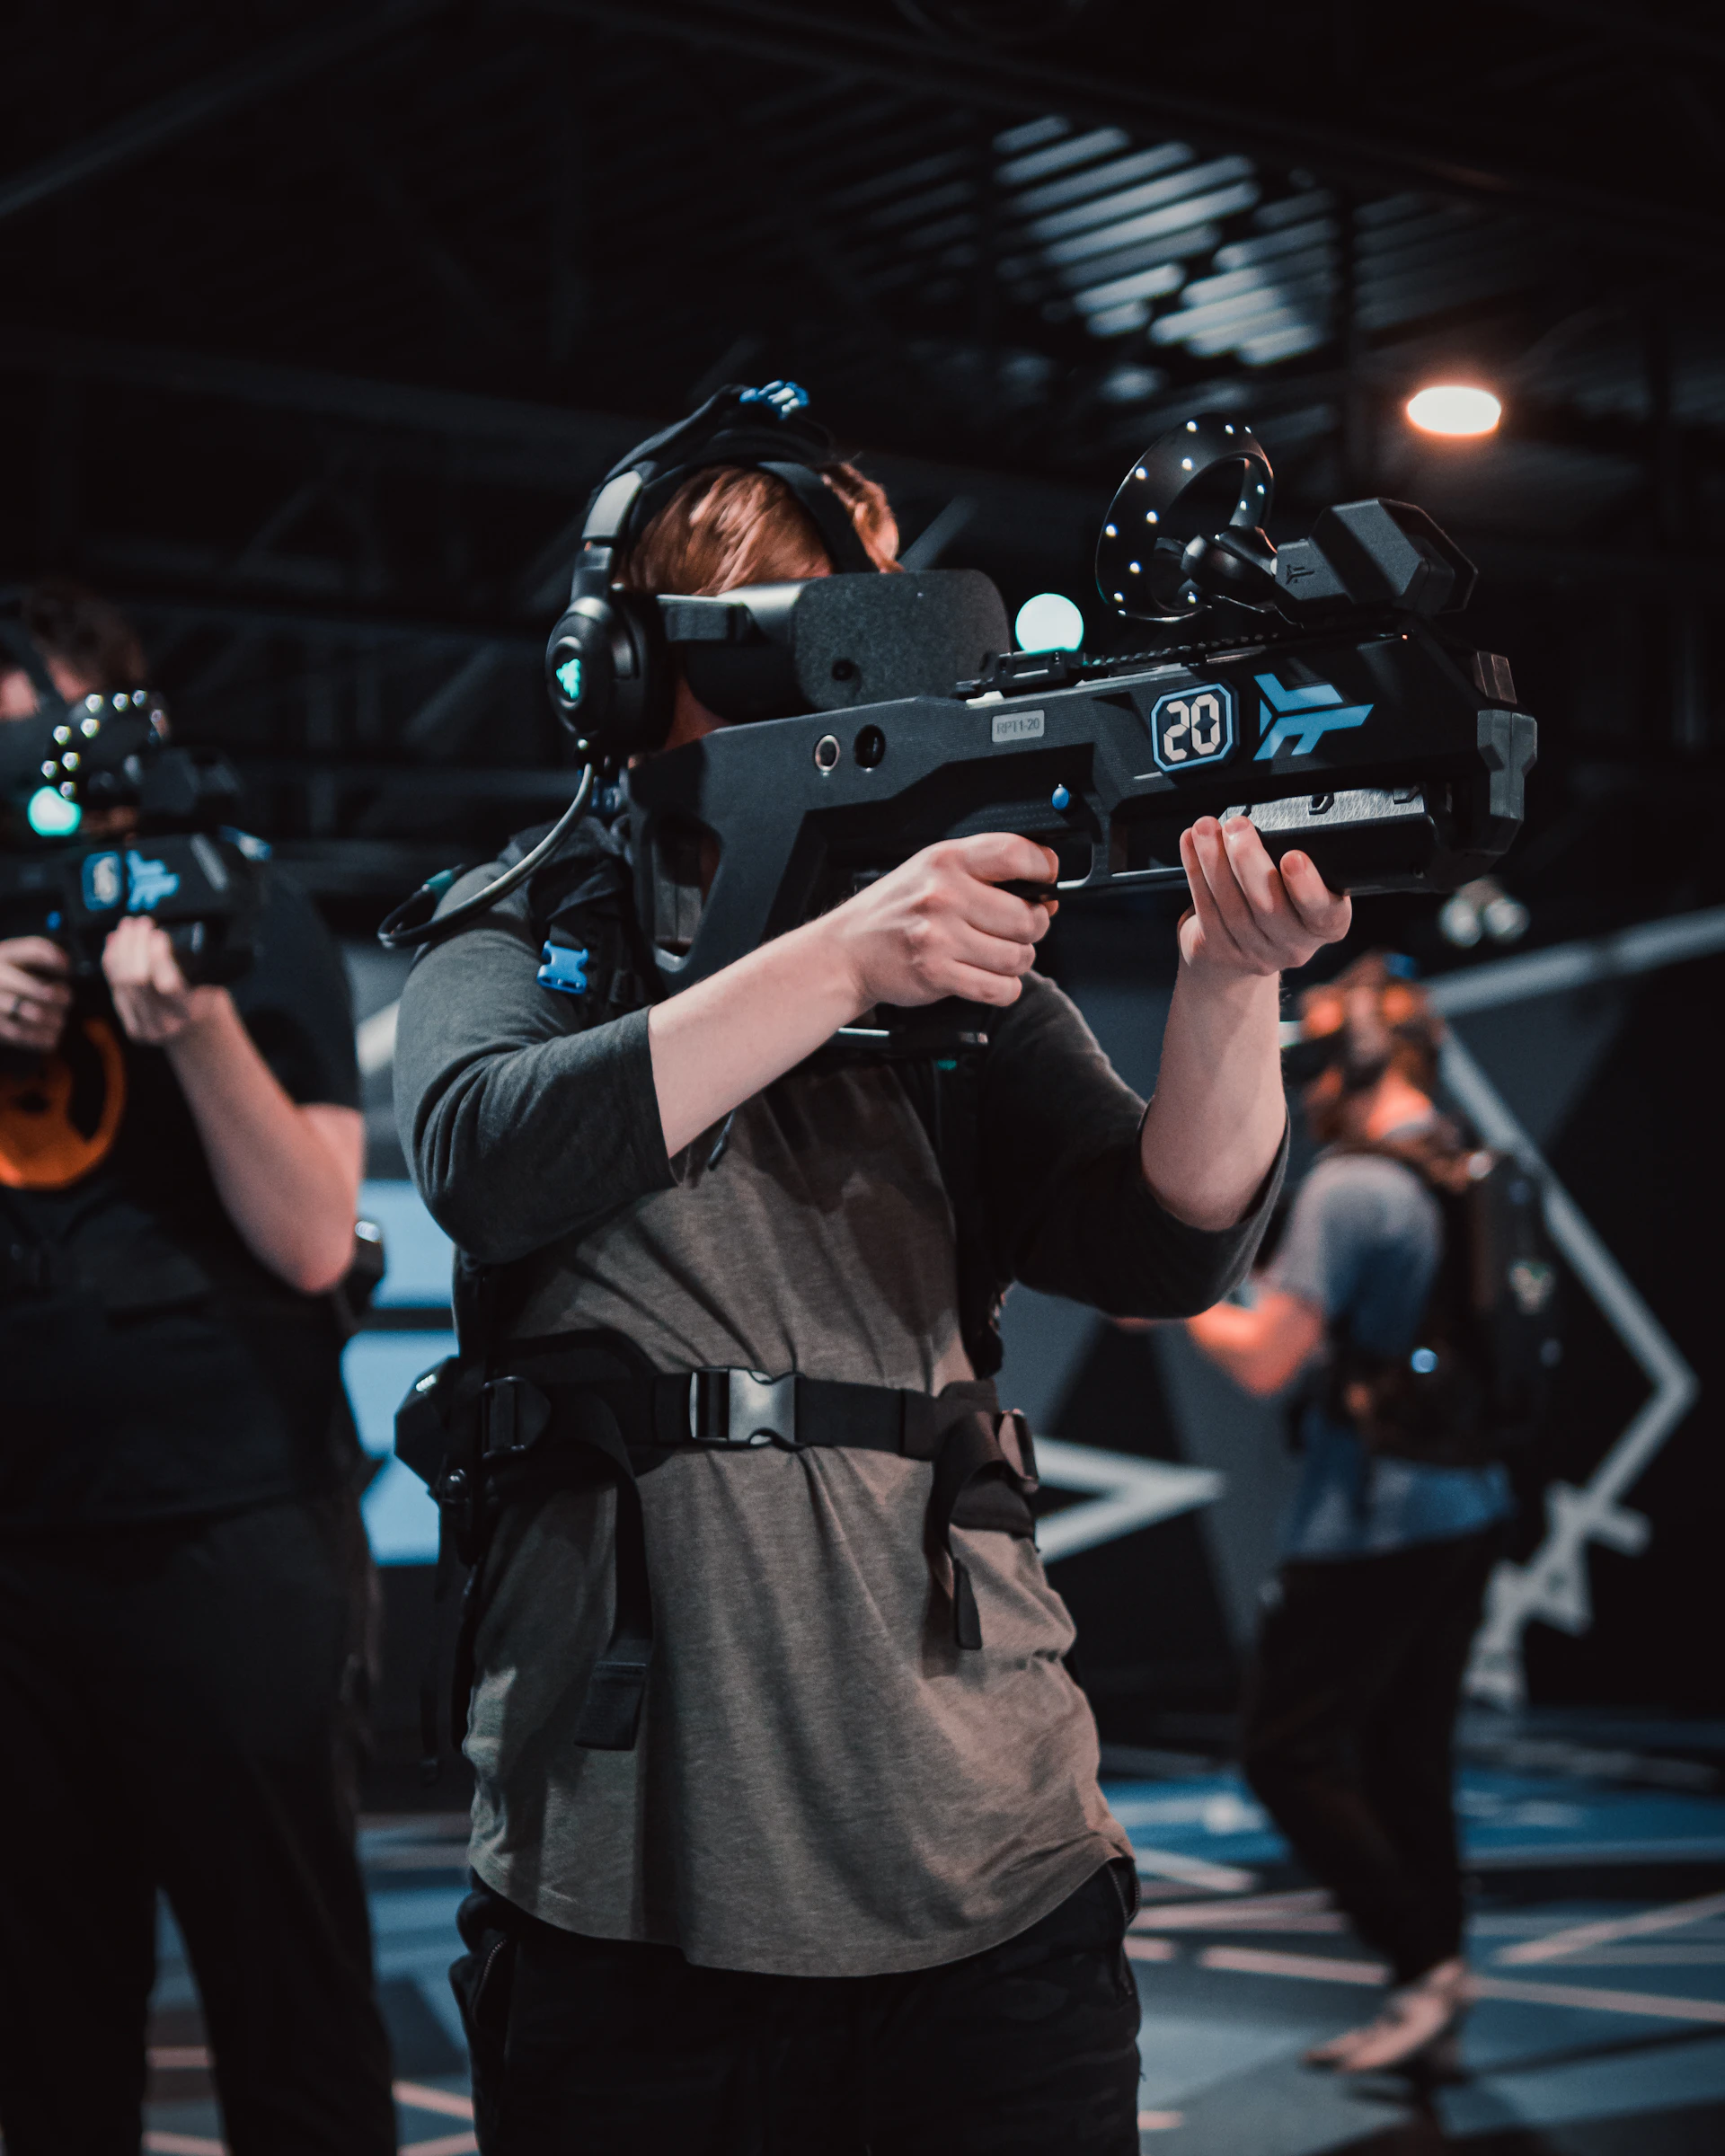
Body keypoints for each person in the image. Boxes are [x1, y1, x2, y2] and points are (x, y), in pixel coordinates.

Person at [393, 401, 1352, 2154]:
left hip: (988, 1866)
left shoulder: (958, 971)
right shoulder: (536, 928)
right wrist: (840, 960)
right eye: (799, 640)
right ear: (637, 674)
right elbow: (485, 1154)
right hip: (634, 1890)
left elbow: (1166, 1239)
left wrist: (1231, 980)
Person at [0, 581, 396, 2153]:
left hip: (228, 1526)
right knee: (45, 2046)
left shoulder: (242, 906)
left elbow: (310, 1237)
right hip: (20, 1548)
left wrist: (193, 1025)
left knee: (290, 2012)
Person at [1184, 952, 1515, 2077]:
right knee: (1408, 1751)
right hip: (1466, 1500)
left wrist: (1175, 1298)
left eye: (1320, 1045)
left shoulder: (1352, 1188)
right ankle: (1434, 1977)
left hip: (1373, 1517)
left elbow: (1267, 1358)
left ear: (1358, 1055)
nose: (1307, 1071)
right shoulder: (1455, 1158)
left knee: (1286, 1753)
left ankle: (1420, 1958)